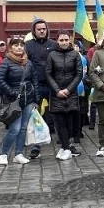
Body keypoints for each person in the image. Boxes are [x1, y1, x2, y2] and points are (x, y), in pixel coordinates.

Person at [0, 40, 43, 165]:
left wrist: (36, 98)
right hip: (13, 100)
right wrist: (11, 92)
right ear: (10, 48)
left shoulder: (28, 63)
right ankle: (4, 154)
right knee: (15, 128)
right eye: (16, 45)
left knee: (23, 128)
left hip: (28, 99)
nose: (19, 47)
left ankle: (18, 153)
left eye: (21, 45)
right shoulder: (6, 62)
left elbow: (34, 80)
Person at [41, 30, 85, 160]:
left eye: (66, 40)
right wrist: (57, 90)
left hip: (71, 94)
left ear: (70, 40)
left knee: (70, 122)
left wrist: (69, 90)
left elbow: (79, 73)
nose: (64, 42)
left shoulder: (75, 54)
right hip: (56, 93)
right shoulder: (52, 55)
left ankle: (65, 147)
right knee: (59, 122)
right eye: (61, 40)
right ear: (57, 41)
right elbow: (48, 74)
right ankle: (65, 148)